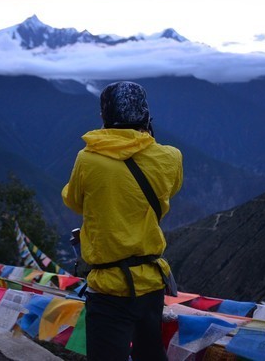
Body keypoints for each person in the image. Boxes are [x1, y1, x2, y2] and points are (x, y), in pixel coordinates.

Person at [62, 81, 183, 361]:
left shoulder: (88, 159)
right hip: (152, 282)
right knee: (151, 355)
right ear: (146, 115)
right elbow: (169, 191)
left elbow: (74, 201)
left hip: (108, 287)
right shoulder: (171, 158)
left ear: (105, 115)